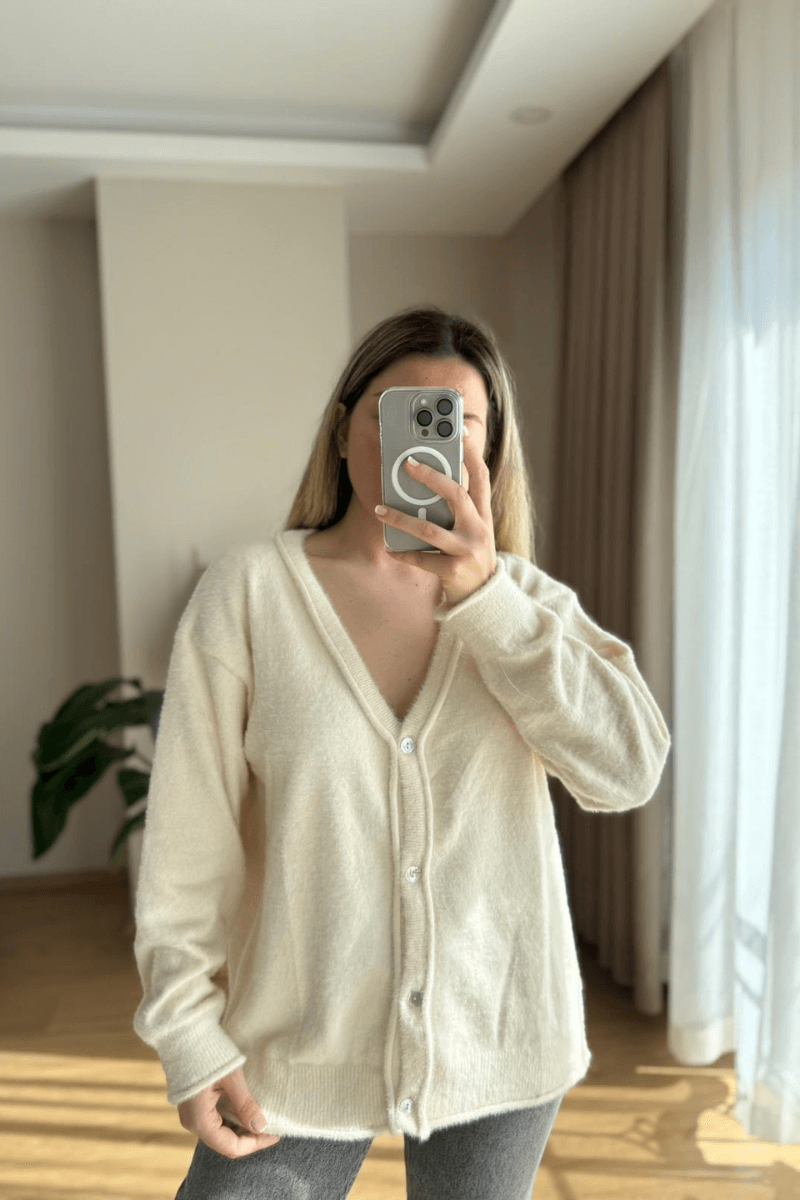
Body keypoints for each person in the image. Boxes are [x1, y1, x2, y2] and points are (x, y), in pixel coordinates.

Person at [132, 305, 672, 1200]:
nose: (424, 443)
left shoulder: (526, 605)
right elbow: (187, 850)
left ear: (489, 455)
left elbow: (630, 769)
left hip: (500, 1040)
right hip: (295, 1051)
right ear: (344, 430)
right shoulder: (249, 595)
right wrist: (189, 1037)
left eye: (456, 422)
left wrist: (490, 602)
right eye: (399, 414)